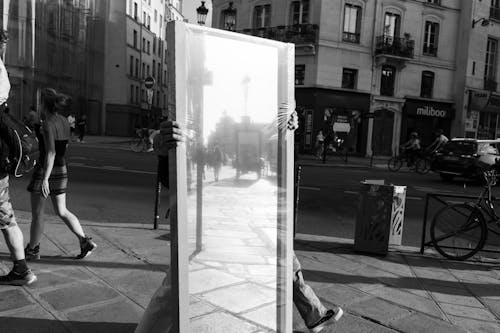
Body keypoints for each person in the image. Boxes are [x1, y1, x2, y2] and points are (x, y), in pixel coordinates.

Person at [135, 111, 343, 333]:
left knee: (282, 255)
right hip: (211, 211)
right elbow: (172, 175)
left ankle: (314, 313)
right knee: (178, 283)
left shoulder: (266, 108)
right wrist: (165, 147)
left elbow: (278, 169)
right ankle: (314, 313)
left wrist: (288, 132)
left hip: (254, 207)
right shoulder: (194, 109)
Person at [25, 88, 97, 260]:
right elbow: (64, 146)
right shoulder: (64, 120)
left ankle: (33, 249)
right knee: (62, 210)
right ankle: (84, 241)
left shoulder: (47, 123)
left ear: (44, 104)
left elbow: (50, 153)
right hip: (62, 167)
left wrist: (45, 179)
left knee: (38, 213)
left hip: (46, 168)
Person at [0, 29, 37, 286]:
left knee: (5, 216)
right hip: (1, 154)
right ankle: (22, 268)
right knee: (5, 216)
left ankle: (22, 269)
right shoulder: (2, 69)